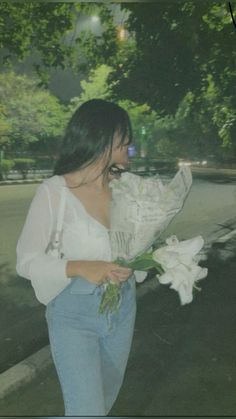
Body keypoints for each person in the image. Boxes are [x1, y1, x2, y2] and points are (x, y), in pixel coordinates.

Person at [16, 99, 137, 416]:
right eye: (124, 144)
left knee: (103, 403)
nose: (129, 151)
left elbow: (135, 249)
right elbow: (26, 260)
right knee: (88, 412)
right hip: (74, 315)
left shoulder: (126, 190)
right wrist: (80, 266)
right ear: (102, 141)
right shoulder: (55, 192)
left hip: (123, 308)